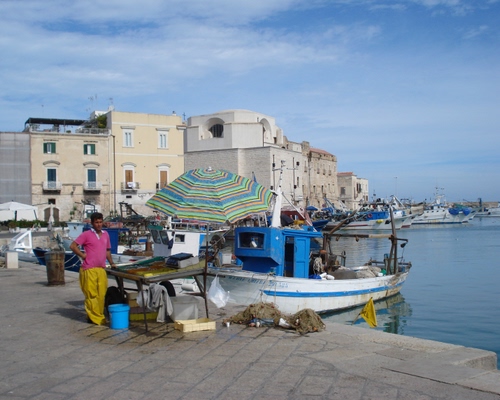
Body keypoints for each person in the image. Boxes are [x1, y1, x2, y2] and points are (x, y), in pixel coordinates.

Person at [70, 212, 116, 325]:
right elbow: (73, 246)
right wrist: (82, 255)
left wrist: (112, 263)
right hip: (89, 269)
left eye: (100, 222)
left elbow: (107, 251)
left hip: (101, 269)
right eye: (96, 222)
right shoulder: (86, 234)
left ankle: (97, 315)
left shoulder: (106, 234)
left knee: (101, 294)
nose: (99, 224)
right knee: (92, 295)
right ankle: (95, 318)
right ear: (92, 223)